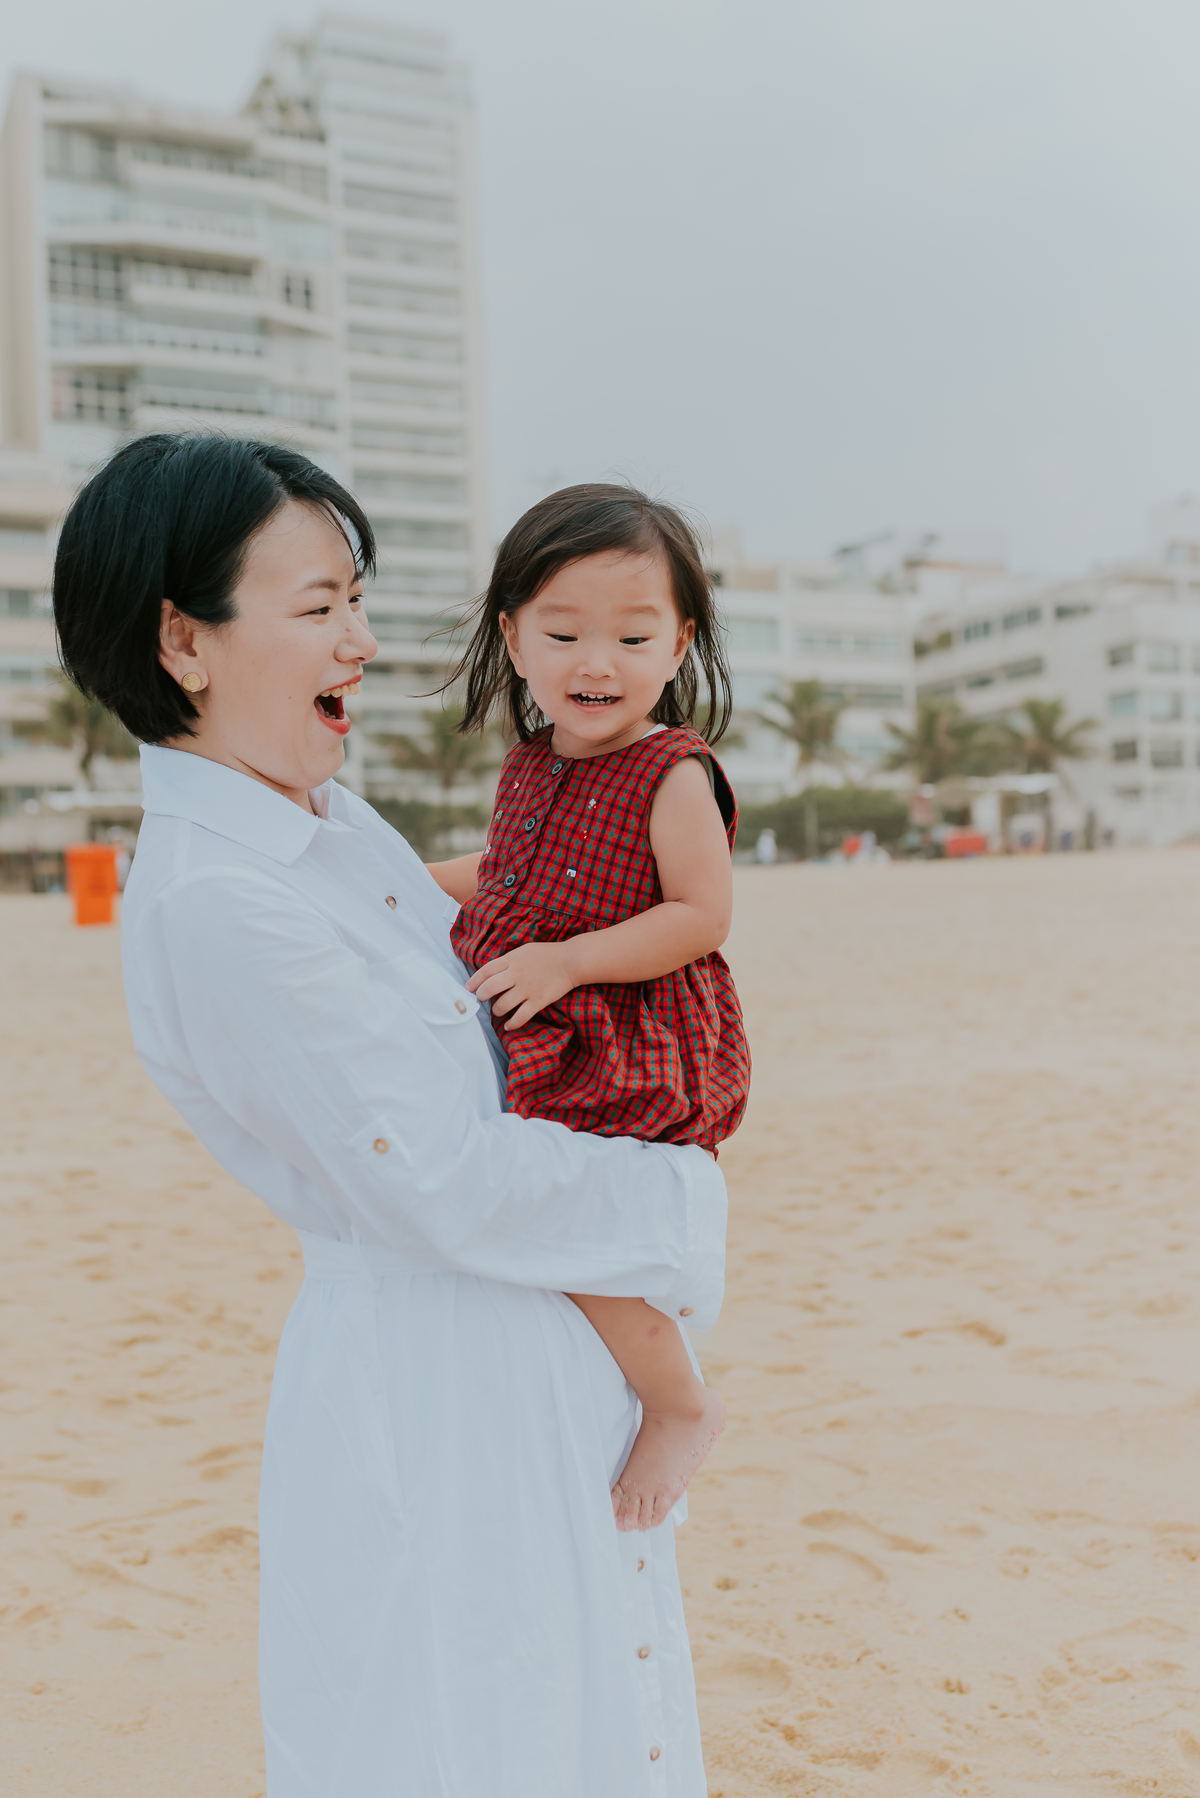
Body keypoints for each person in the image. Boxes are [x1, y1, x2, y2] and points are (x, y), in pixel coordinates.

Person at [52, 435, 728, 1797]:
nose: (360, 642)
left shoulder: (328, 825)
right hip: (437, 1407)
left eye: (355, 600)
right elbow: (439, 1177)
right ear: (185, 640)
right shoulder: (220, 898)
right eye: (318, 609)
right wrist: (678, 1196)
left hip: (532, 1370)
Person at [426, 486, 749, 1534]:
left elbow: (701, 914)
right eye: (563, 633)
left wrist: (567, 962)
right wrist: (395, 881)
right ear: (515, 636)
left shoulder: (671, 772)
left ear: (679, 642)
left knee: (566, 1229)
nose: (595, 662)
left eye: (632, 634)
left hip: (629, 1037)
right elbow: (509, 871)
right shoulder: (529, 763)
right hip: (543, 1014)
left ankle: (677, 1398)